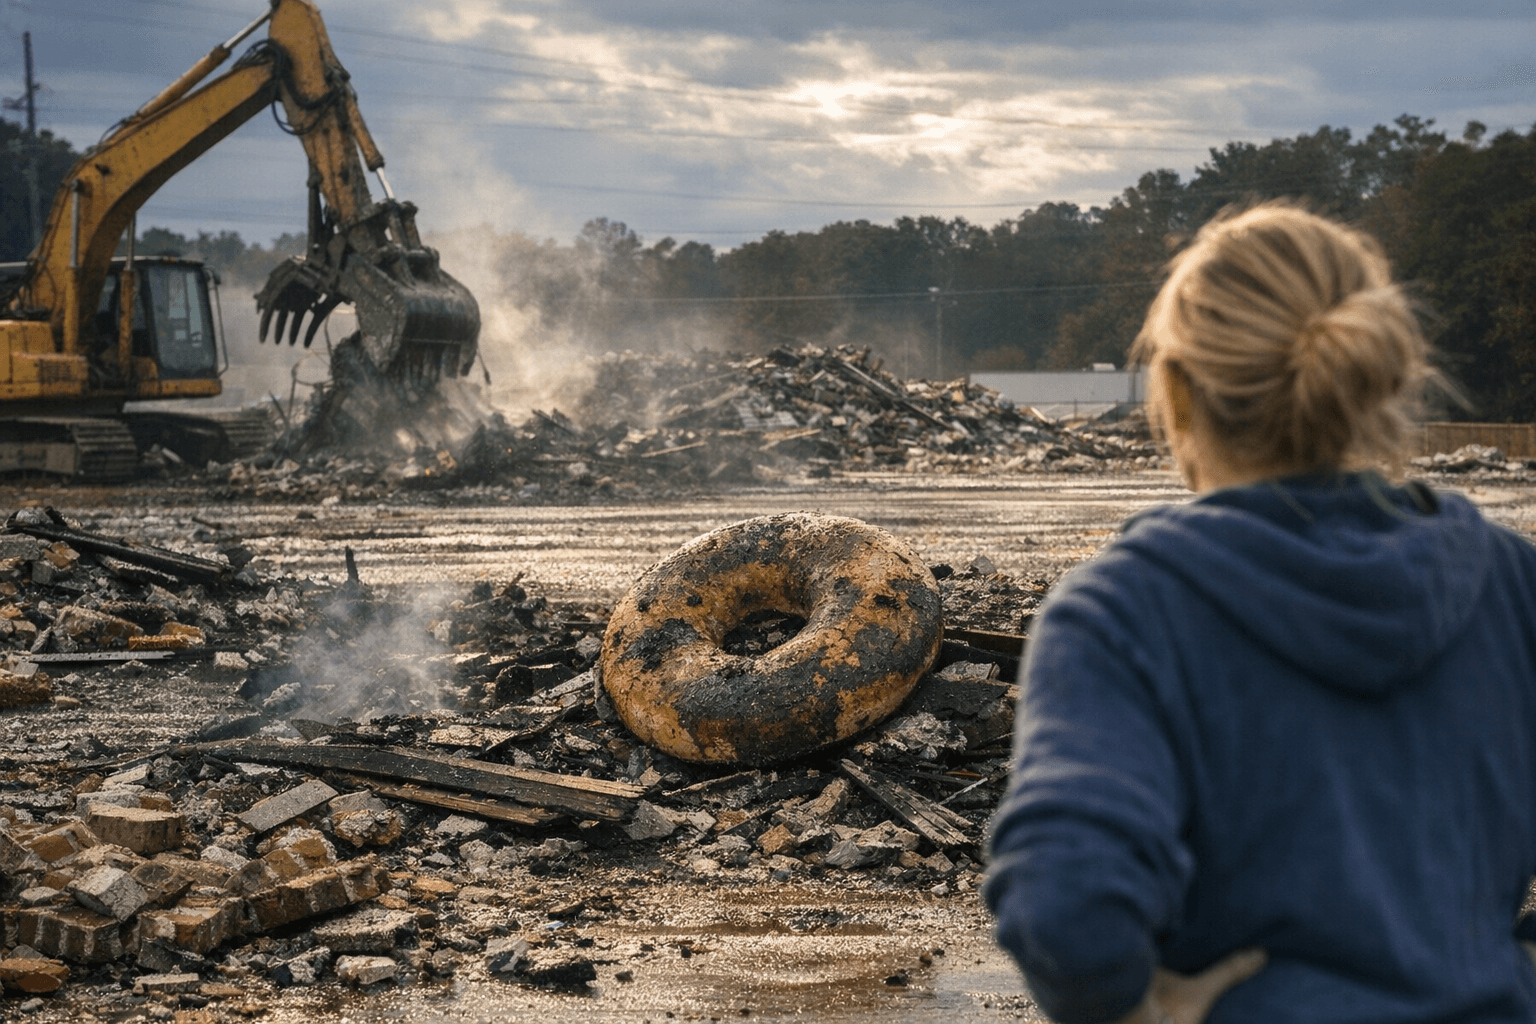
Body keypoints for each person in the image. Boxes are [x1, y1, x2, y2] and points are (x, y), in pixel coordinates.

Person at [983, 201, 1536, 1024]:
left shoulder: (1123, 610)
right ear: (1379, 374)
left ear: (1173, 389)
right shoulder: (1512, 584)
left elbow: (1068, 906)